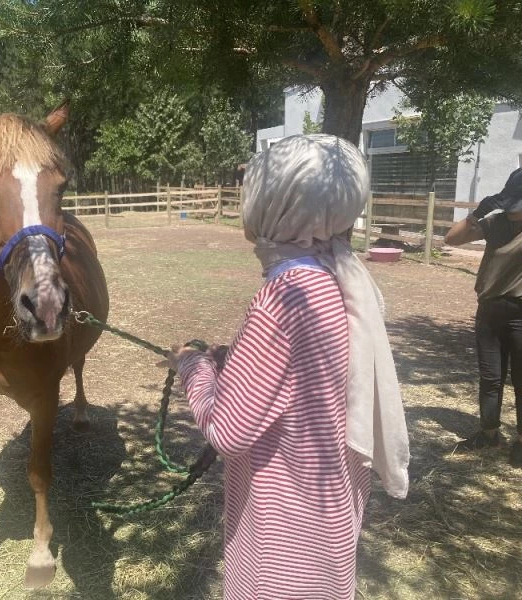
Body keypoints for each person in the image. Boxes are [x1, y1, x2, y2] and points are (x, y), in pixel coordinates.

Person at [167, 134, 410, 600]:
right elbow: (295, 379)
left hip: (285, 535)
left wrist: (192, 365)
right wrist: (231, 361)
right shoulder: (333, 278)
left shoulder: (286, 295)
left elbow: (227, 431)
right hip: (325, 517)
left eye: (255, 190)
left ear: (278, 204)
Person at [445, 168, 522, 466]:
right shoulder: (496, 222)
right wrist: (476, 215)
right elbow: (451, 239)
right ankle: (488, 433)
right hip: (489, 310)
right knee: (490, 378)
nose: (514, 211)